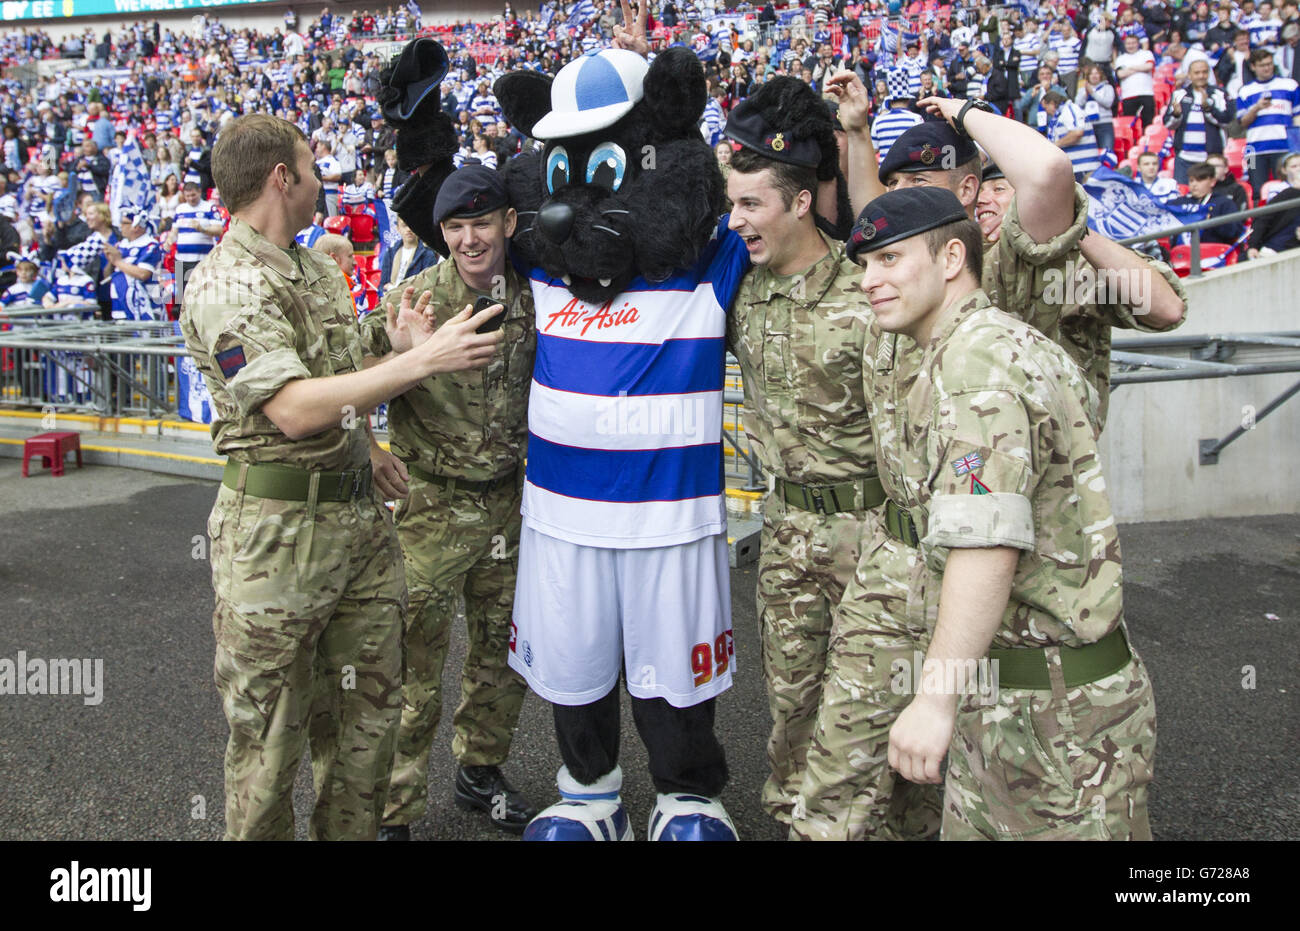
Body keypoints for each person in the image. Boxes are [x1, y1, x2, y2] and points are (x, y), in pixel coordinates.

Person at [181, 112, 506, 841]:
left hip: (356, 530)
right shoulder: (227, 283)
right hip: (277, 544)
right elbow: (294, 409)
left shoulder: (311, 266)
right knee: (270, 745)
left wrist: (387, 342)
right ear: (280, 178)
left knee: (367, 732)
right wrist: (418, 362)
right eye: (311, 165)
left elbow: (337, 367)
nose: (322, 179)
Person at [848, 184, 1157, 842]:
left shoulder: (979, 365)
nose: (871, 280)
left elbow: (985, 543)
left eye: (890, 260)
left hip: (1049, 713)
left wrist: (934, 697)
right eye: (865, 265)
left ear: (952, 256)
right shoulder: (991, 341)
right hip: (1019, 697)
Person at [721, 83, 881, 837]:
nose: (736, 221)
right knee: (791, 712)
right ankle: (794, 819)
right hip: (785, 538)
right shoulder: (742, 294)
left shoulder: (867, 289)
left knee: (870, 716)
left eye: (750, 205)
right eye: (732, 203)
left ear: (799, 203)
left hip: (873, 541)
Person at [359, 165, 538, 839]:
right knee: (408, 671)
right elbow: (356, 382)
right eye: (456, 227)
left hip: (507, 505)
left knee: (501, 655)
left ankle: (480, 772)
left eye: (482, 223)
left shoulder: (533, 297)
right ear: (441, 233)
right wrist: (370, 450)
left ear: (509, 224)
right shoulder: (412, 301)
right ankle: (394, 811)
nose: (470, 239)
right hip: (429, 506)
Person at [1236, 47, 1300, 195]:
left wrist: (1297, 146)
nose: (1267, 68)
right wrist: (1256, 108)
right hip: (1253, 150)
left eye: (1269, 64)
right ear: (1253, 67)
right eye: (1262, 65)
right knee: (1257, 190)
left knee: (1289, 189)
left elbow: (1298, 116)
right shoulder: (1245, 91)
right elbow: (1242, 122)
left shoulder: (1290, 85)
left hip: (1285, 147)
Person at [1164, 59, 1235, 186]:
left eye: (1204, 72)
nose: (1201, 76)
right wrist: (1176, 114)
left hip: (1211, 158)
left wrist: (1208, 108)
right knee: (1183, 193)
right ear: (1189, 75)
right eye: (1197, 73)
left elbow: (1227, 120)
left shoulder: (1219, 93)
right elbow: (1168, 124)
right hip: (1184, 158)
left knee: (1213, 196)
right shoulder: (1179, 94)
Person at [1169, 162, 1247, 244]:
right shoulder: (1178, 203)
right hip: (1180, 252)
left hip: (1213, 251)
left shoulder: (1224, 203)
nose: (1194, 184)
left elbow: (1233, 231)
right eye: (1191, 180)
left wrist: (1211, 219)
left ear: (1212, 182)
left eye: (1199, 180)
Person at [173, 181, 225, 306]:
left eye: (193, 195)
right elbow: (174, 230)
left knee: (201, 295)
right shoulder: (180, 209)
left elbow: (219, 230)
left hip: (201, 259)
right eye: (188, 196)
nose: (191, 198)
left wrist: (201, 228)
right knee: (181, 298)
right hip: (181, 259)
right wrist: (169, 240)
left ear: (199, 192)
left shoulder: (209, 208)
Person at [104, 211, 162, 321]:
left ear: (136, 226)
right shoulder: (121, 245)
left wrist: (117, 262)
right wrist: (110, 259)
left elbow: (143, 273)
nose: (120, 226)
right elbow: (108, 275)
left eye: (124, 223)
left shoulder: (150, 245)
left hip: (144, 306)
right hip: (119, 306)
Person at [378, 214, 437, 294]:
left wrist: (395, 289)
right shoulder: (390, 253)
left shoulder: (428, 255)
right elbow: (382, 286)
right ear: (398, 228)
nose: (409, 229)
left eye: (412, 225)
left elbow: (428, 287)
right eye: (404, 225)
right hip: (390, 300)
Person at [1116, 32, 1158, 129]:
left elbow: (1149, 66)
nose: (1131, 46)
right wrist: (1139, 68)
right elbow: (1120, 74)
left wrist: (1131, 68)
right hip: (1128, 96)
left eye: (1133, 43)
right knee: (1130, 125)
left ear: (1138, 43)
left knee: (1148, 123)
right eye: (1128, 43)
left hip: (1146, 93)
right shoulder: (1121, 59)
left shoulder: (1146, 54)